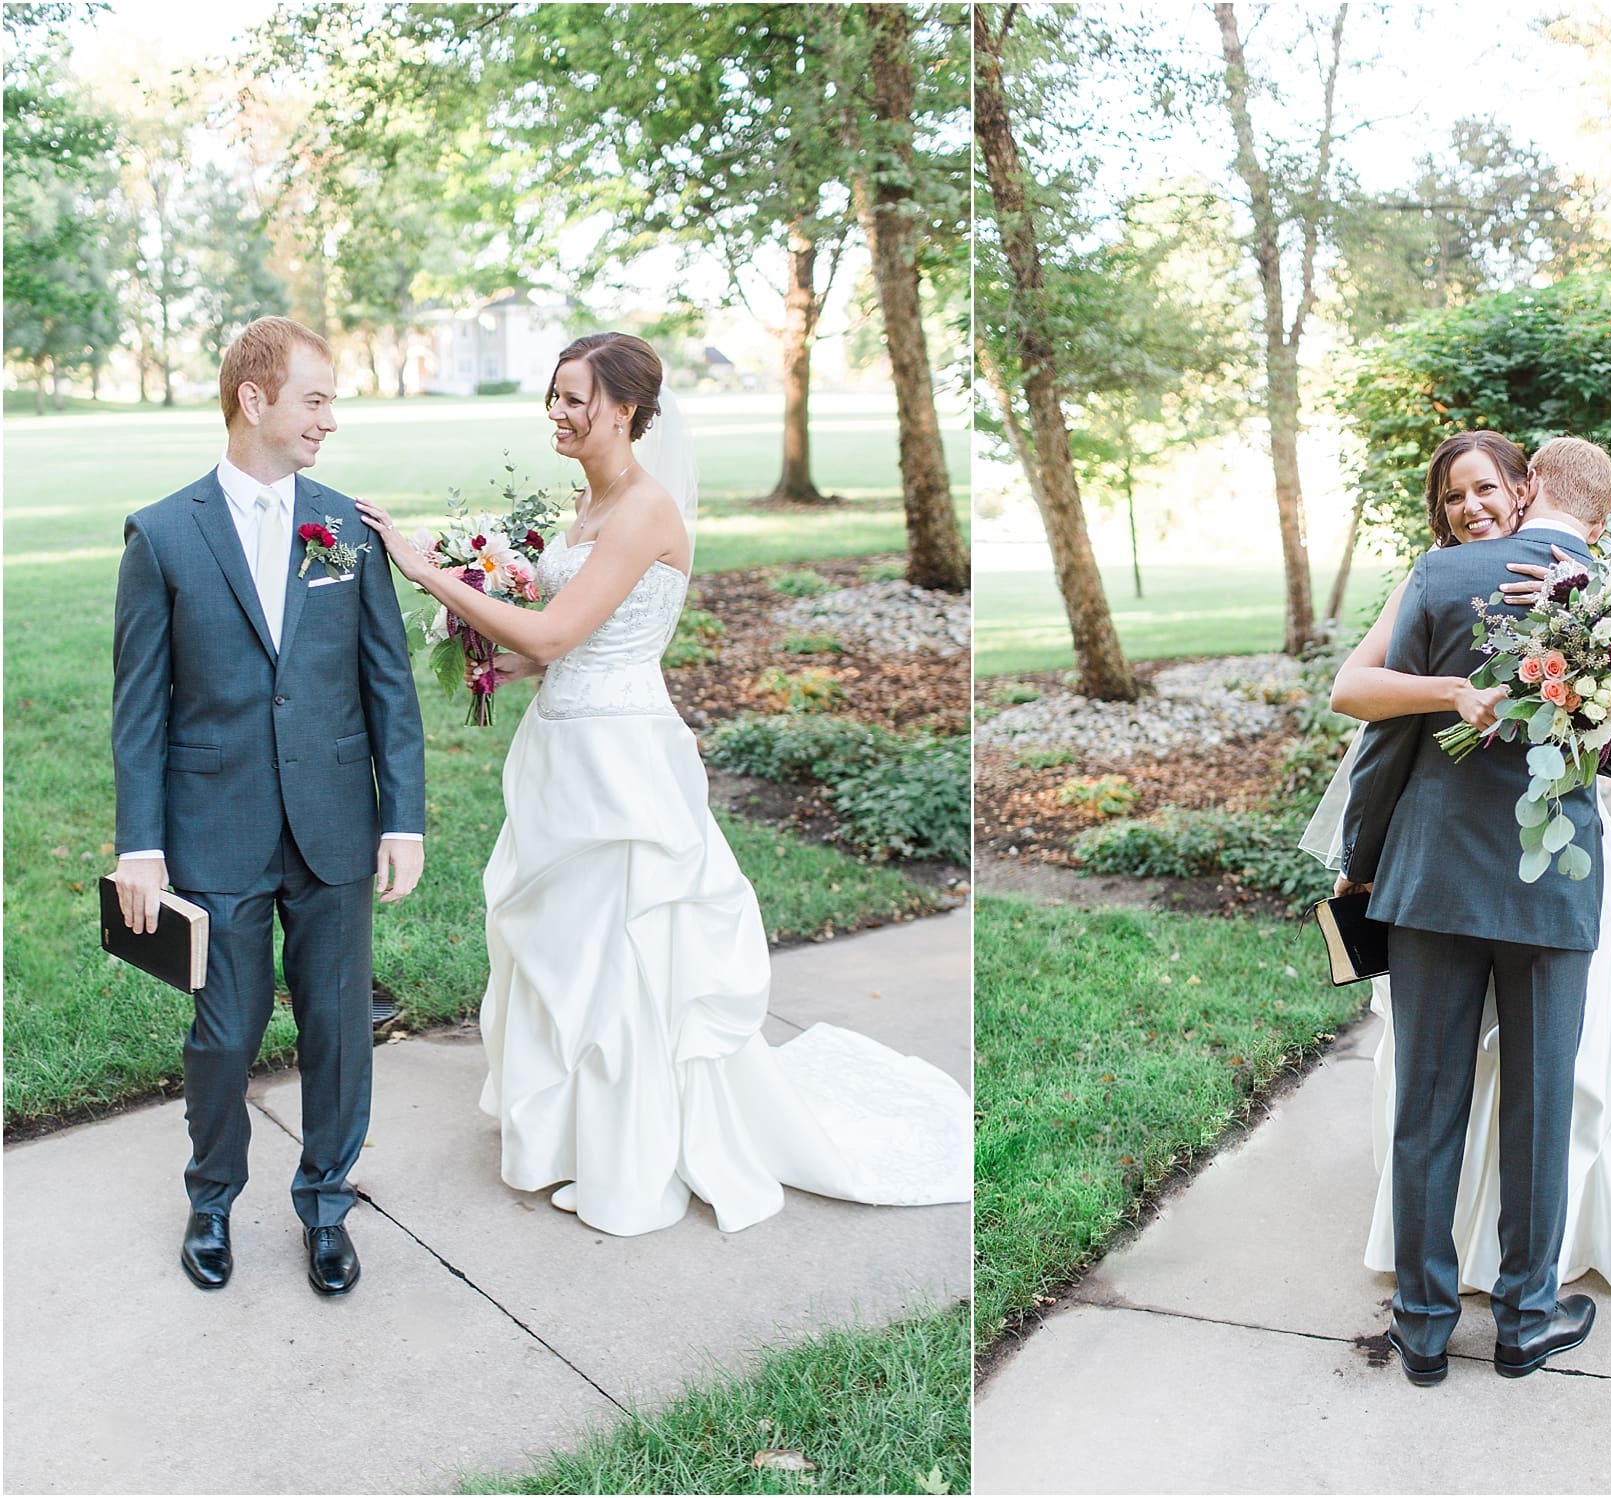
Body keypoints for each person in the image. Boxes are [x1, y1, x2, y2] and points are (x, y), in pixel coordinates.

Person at [355, 332, 970, 1236]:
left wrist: (427, 572)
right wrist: (492, 656)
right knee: (566, 947)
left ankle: (633, 1154)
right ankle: (569, 1136)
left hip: (621, 762)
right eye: (553, 398)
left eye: (575, 399)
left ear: (629, 410)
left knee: (627, 951)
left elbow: (559, 635)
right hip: (565, 746)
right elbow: (574, 642)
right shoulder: (586, 506)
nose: (559, 414)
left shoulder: (645, 510)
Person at [1306, 432, 1611, 1314]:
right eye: (1457, 495)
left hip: (1432, 879)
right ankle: (1528, 1319)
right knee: (1542, 1108)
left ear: (1527, 489)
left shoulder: (1442, 576)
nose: (1475, 508)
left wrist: (1358, 862)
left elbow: (1380, 749)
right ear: (1601, 515)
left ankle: (1420, 1322)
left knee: (1426, 1106)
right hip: (1549, 885)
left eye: (1487, 489)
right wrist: (1600, 629)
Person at [111, 315, 427, 1296]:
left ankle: (327, 1204)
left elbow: (386, 681)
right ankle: (211, 1198)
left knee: (337, 1026)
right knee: (225, 1032)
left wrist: (402, 814)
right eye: (316, 398)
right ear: (255, 399)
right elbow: (138, 712)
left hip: (335, 823)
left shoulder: (341, 527)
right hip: (216, 828)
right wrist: (141, 846)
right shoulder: (162, 534)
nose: (330, 418)